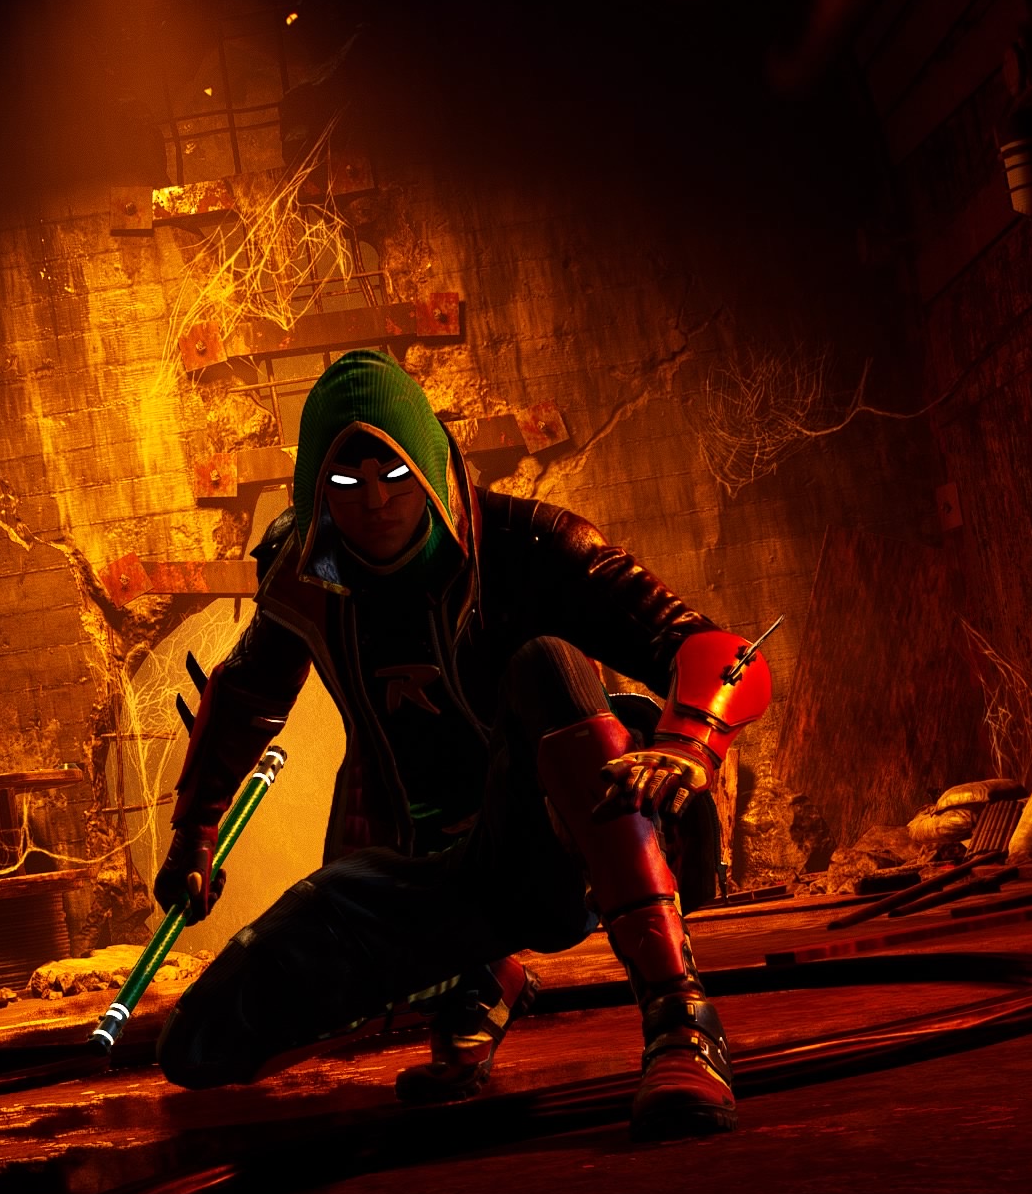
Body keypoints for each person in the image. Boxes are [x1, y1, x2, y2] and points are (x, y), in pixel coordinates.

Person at [148, 351, 758, 1139]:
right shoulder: (308, 575)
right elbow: (244, 697)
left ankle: (681, 1021)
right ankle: (481, 970)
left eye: (394, 474)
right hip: (435, 874)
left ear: (430, 465)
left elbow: (709, 648)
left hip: (573, 834)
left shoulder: (528, 544)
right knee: (199, 1041)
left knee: (546, 667)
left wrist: (688, 746)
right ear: (315, 490)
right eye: (346, 481)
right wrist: (195, 835)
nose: (374, 502)